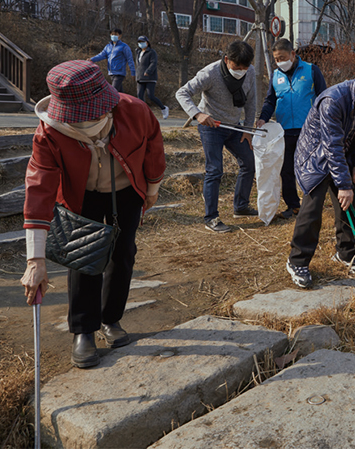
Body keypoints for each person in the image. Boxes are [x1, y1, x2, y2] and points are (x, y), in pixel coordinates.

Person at [20, 60, 166, 369]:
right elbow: (39, 187)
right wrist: (35, 260)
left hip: (126, 191)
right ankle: (83, 331)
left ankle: (110, 319)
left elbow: (153, 147)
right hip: (80, 193)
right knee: (84, 257)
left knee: (123, 253)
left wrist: (152, 189)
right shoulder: (49, 132)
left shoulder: (135, 111)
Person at [286, 63, 355, 288]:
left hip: (341, 157)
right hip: (315, 159)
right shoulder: (332, 101)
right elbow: (331, 145)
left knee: (351, 204)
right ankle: (297, 261)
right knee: (312, 209)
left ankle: (346, 253)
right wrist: (343, 185)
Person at [175, 40, 258, 233]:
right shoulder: (210, 73)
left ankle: (241, 206)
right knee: (215, 169)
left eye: (245, 67)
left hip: (234, 126)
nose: (242, 71)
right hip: (211, 126)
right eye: (238, 67)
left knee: (249, 162)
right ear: (227, 60)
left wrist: (247, 129)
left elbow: (252, 102)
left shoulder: (250, 71)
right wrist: (198, 114)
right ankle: (211, 218)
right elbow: (182, 93)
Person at [257, 39, 327, 219]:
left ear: (293, 54)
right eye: (276, 59)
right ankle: (293, 206)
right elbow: (270, 100)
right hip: (285, 130)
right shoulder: (275, 76)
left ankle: (312, 206)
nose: (280, 61)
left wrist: (324, 122)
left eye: (282, 57)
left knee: (310, 169)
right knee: (286, 170)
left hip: (309, 130)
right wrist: (263, 118)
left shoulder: (312, 70)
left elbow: (324, 98)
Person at [89, 27, 136, 94]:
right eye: (112, 34)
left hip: (119, 73)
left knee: (112, 92)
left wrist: (133, 72)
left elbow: (130, 60)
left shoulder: (124, 47)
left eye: (116, 34)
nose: (114, 36)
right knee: (120, 93)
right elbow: (101, 55)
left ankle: (111, 104)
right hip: (111, 73)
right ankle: (126, 104)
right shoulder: (108, 47)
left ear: (120, 36)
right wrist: (91, 59)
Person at [135, 35, 169, 119]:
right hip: (140, 77)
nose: (141, 44)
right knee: (140, 96)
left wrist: (148, 71)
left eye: (143, 42)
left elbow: (153, 63)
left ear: (147, 42)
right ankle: (142, 114)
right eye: (139, 42)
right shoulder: (138, 52)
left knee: (151, 96)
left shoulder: (151, 52)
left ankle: (164, 108)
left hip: (150, 77)